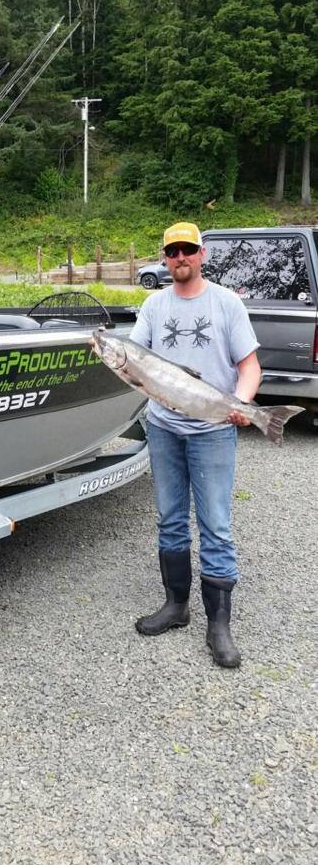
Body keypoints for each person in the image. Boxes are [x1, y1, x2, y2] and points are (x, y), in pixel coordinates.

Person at [130, 221, 261, 667]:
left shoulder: (226, 303)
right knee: (169, 519)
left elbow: (250, 367)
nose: (180, 258)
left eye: (188, 250)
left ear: (202, 254)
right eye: (173, 252)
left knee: (216, 527)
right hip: (164, 428)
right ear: (164, 259)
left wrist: (241, 403)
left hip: (212, 431)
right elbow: (135, 359)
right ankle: (176, 605)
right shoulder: (153, 304)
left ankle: (218, 625)